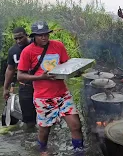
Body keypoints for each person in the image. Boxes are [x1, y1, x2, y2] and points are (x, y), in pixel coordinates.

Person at [17, 21, 84, 153]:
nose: (44, 37)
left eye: (46, 34)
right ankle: (42, 150)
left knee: (76, 125)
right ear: (34, 36)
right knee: (44, 130)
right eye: (40, 35)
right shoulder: (27, 51)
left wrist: (77, 71)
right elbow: (20, 76)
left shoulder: (58, 46)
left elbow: (66, 66)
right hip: (43, 97)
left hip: (63, 94)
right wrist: (41, 77)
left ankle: (79, 152)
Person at [2, 27, 36, 129]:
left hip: (42, 84)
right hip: (25, 86)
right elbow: (10, 70)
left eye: (21, 38)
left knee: (49, 115)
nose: (18, 41)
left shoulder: (37, 45)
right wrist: (5, 88)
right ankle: (29, 137)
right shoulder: (13, 51)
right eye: (16, 39)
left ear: (26, 35)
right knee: (28, 119)